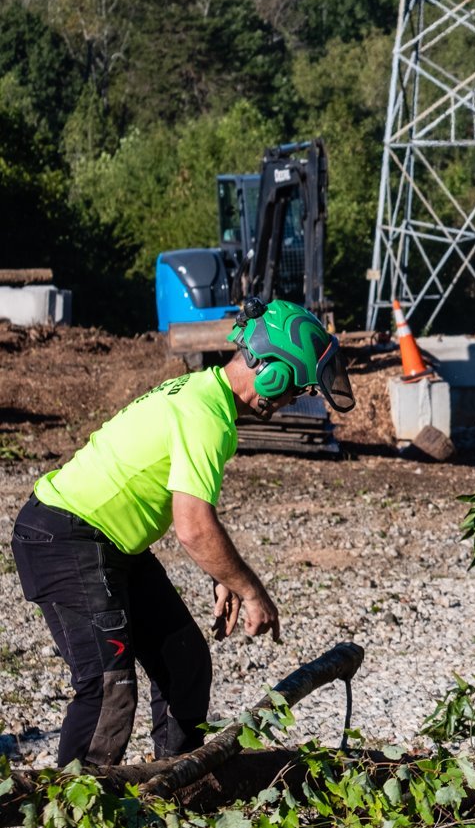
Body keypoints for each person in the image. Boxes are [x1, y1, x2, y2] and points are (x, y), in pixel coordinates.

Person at [9, 297, 355, 766]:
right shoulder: (206, 415)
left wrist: (224, 573)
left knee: (185, 662)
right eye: (296, 388)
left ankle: (175, 784)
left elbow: (189, 510)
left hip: (110, 543)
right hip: (65, 537)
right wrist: (252, 592)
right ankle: (73, 805)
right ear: (273, 374)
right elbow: (193, 528)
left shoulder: (203, 396)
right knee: (109, 688)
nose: (292, 399)